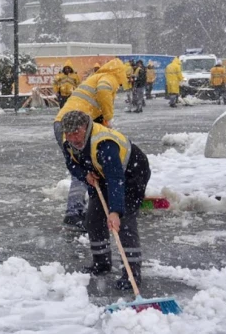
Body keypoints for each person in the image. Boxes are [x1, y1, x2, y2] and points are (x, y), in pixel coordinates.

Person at [58, 110, 150, 290]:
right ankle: (102, 263)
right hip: (100, 176)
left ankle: (132, 273)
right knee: (93, 218)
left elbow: (116, 178)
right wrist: (85, 174)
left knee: (123, 223)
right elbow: (71, 163)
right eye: (68, 134)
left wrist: (115, 211)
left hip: (131, 176)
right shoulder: (68, 142)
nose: (73, 138)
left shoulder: (104, 143)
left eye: (76, 132)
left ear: (85, 127)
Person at [53, 58, 128, 230]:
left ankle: (83, 209)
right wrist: (109, 118)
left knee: (85, 167)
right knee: (81, 167)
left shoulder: (97, 77)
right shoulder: (109, 77)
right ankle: (74, 213)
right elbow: (103, 91)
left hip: (67, 123)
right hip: (72, 126)